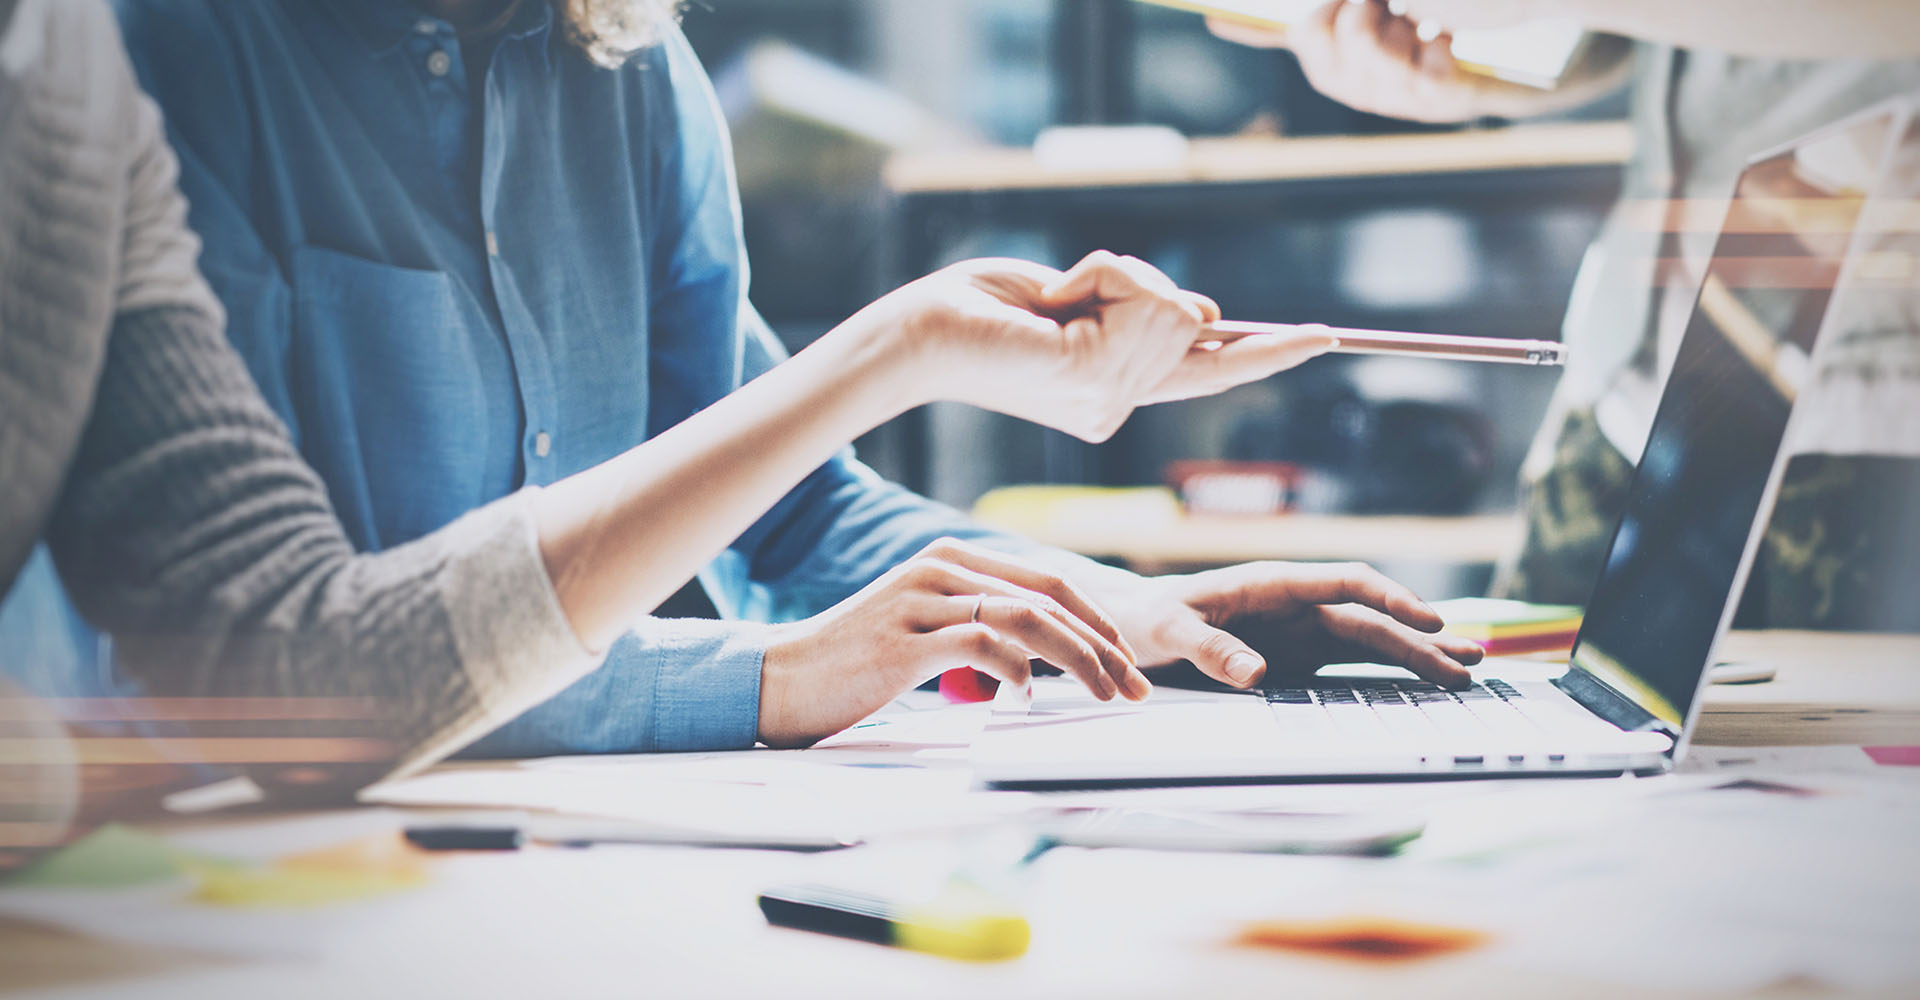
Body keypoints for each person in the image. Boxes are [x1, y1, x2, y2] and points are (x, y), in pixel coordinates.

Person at [0, 0, 1482, 821]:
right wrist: (766, 677)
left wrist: (1126, 616)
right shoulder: (150, 53)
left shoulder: (627, 64)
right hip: (213, 860)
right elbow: (278, 663)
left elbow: (780, 496)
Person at [1212, 0, 1920, 628]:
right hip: (1625, 373)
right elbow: (1663, 47)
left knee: (1831, 767)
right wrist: (1472, 74)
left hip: (1863, 401)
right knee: (1509, 739)